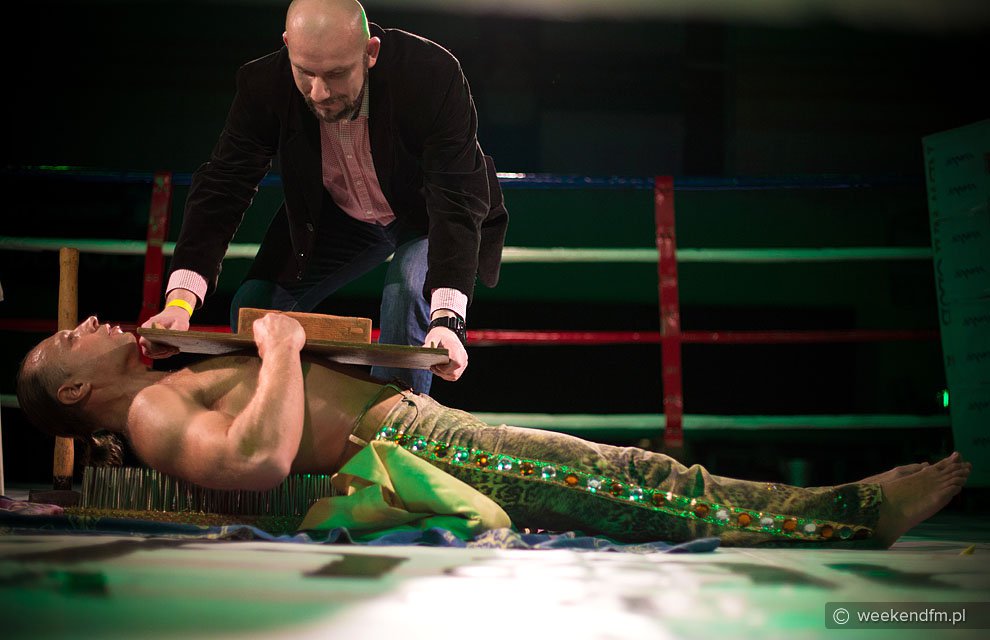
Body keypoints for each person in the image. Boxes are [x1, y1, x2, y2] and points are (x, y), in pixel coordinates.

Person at [18, 315, 971, 547]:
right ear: (75, 390)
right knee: (630, 480)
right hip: (415, 447)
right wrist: (279, 347)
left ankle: (842, 512)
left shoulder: (161, 383)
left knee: (623, 482)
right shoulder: (150, 412)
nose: (90, 322)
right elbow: (259, 459)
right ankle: (854, 514)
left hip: (415, 430)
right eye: (70, 338)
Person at [139, 0, 508, 395]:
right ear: (287, 46)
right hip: (339, 217)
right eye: (305, 72)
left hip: (426, 214)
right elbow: (224, 185)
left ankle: (391, 430)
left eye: (335, 74)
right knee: (255, 305)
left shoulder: (430, 73)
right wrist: (179, 303)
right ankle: (292, 420)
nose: (319, 92)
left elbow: (456, 197)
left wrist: (448, 320)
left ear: (370, 52)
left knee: (405, 294)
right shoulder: (263, 85)